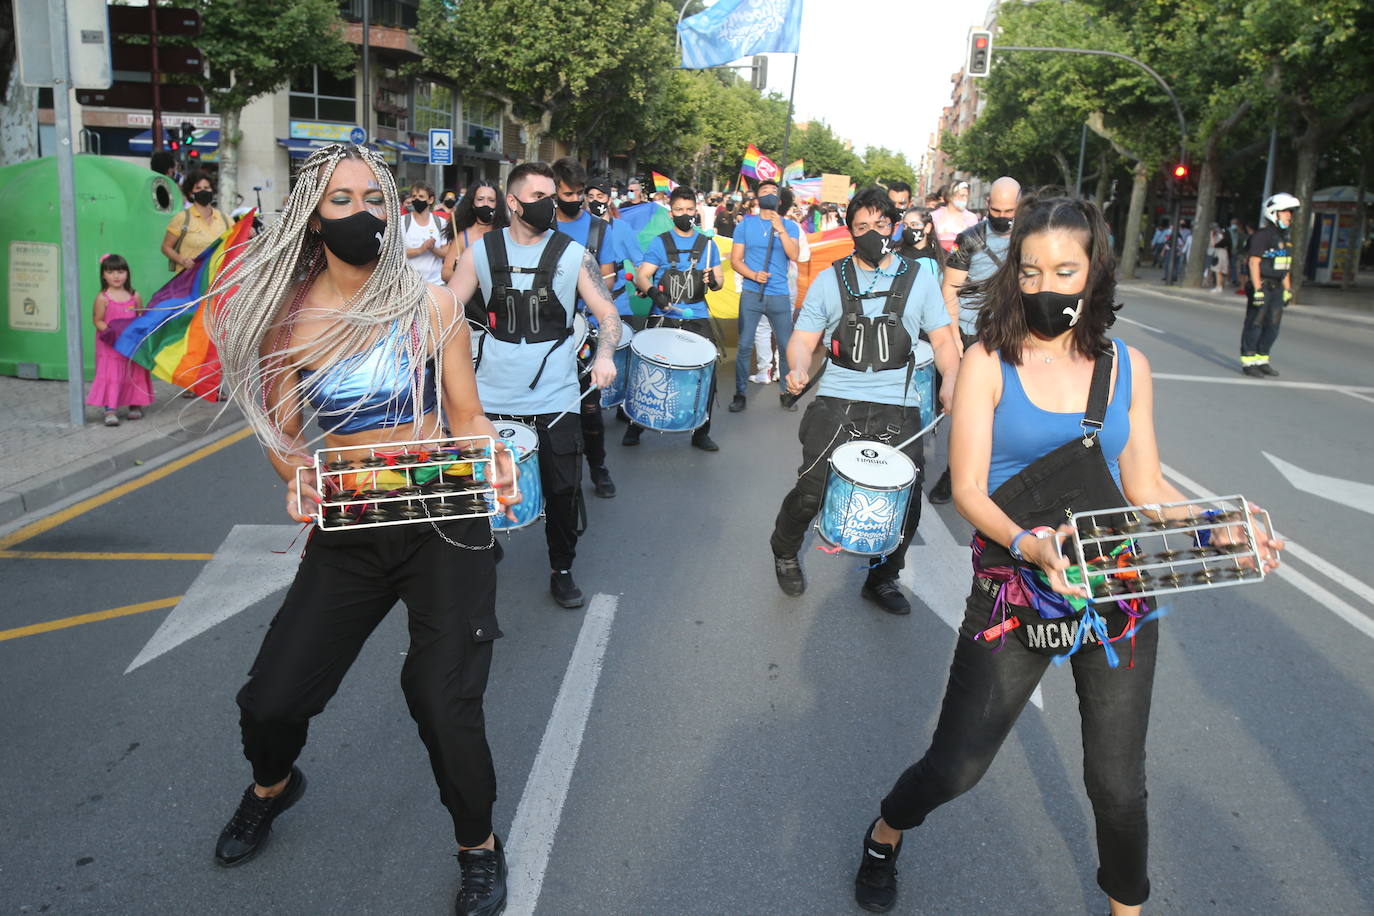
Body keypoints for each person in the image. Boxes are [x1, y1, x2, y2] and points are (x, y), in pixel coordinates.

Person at [850, 192, 1282, 915]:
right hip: (1014, 593)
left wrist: (1219, 524)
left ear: (1096, 273)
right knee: (957, 767)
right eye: (1029, 271)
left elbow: (1144, 483)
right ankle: (886, 831)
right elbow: (970, 490)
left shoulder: (1128, 368)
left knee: (1118, 785)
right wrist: (1028, 543)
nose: (1046, 287)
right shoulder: (988, 363)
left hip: (1115, 590)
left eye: (1064, 269)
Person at [204, 143, 518, 916]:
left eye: (373, 197)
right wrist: (296, 477)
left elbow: (467, 415)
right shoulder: (285, 324)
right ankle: (272, 786)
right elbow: (284, 441)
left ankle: (477, 847)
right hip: (351, 525)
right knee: (271, 701)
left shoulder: (431, 304)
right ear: (313, 218)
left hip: (442, 516)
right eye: (340, 201)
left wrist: (494, 453)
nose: (361, 213)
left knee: (442, 700)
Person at [770, 187, 960, 614]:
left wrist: (951, 381)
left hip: (900, 402)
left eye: (880, 225)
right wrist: (797, 366)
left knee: (905, 500)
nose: (872, 234)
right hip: (839, 397)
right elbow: (803, 339)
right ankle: (784, 549)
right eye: (861, 227)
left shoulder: (919, 279)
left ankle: (882, 577)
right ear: (850, 232)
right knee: (811, 490)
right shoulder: (828, 280)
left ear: (893, 227)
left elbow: (945, 338)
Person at [448, 161, 622, 609]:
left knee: (562, 489)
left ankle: (560, 568)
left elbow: (607, 313)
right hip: (489, 397)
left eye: (552, 195)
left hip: (555, 395)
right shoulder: (480, 253)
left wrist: (604, 355)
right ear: (513, 202)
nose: (548, 204)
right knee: (478, 487)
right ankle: (484, 546)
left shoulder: (572, 253)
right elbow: (445, 311)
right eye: (538, 196)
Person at [928, 177, 1022, 504]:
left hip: (1014, 337)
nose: (1001, 215)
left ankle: (998, 478)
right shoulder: (970, 239)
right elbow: (950, 289)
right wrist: (952, 337)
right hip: (971, 335)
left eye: (1009, 210)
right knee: (967, 413)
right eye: (995, 209)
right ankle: (955, 474)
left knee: (1009, 414)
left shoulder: (1031, 240)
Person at [630, 184, 724, 451]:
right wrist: (654, 295)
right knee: (647, 368)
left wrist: (713, 281)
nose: (685, 214)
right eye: (679, 210)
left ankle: (701, 431)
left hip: (697, 313)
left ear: (696, 211)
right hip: (663, 314)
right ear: (671, 213)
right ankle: (634, 425)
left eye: (690, 209)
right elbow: (642, 275)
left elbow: (720, 279)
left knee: (708, 370)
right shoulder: (660, 242)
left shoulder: (707, 245)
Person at [550, 157, 620, 497]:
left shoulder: (598, 228)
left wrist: (591, 296)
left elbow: (608, 278)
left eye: (579, 192)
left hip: (586, 330)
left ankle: (599, 469)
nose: (575, 198)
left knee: (590, 409)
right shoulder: (541, 224)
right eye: (568, 192)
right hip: (546, 331)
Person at [729, 177, 801, 412]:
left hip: (780, 295)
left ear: (780, 199)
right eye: (764, 190)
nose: (769, 193)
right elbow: (735, 261)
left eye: (773, 190)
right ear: (757, 197)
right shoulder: (745, 225)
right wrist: (752, 274)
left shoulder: (789, 226)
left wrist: (780, 230)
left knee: (785, 345)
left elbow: (795, 255)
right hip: (752, 293)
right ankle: (740, 392)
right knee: (745, 345)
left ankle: (785, 393)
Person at [87, 253, 153, 426]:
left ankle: (135, 405)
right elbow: (97, 320)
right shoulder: (103, 298)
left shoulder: (134, 295)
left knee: (133, 371)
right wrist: (112, 332)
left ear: (127, 274)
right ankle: (110, 409)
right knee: (112, 374)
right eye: (110, 272)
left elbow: (140, 316)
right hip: (110, 345)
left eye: (120, 272)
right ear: (103, 275)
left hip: (131, 343)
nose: (116, 276)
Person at [1241, 193, 1300, 378]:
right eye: (1285, 212)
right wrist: (1257, 289)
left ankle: (1262, 359)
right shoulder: (1262, 236)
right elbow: (1253, 263)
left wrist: (1288, 290)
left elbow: (1284, 266)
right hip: (1263, 286)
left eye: (1290, 212)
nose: (1289, 215)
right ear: (1273, 213)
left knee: (1273, 325)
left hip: (1277, 287)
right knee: (1255, 323)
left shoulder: (1286, 238)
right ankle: (1248, 362)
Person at [161, 170, 230, 273]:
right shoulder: (182, 218)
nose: (203, 191)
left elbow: (237, 240)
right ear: (191, 192)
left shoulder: (225, 219)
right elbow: (166, 247)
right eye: (198, 188)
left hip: (217, 280)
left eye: (206, 188)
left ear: (212, 190)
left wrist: (249, 232)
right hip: (189, 280)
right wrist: (182, 261)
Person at [440, 180, 506, 283]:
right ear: (472, 203)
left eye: (491, 200)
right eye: (480, 199)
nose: (485, 204)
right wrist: (465, 279)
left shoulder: (506, 234)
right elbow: (446, 272)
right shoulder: (462, 236)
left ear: (497, 204)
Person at [400, 182, 450, 284]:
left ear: (430, 200)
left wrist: (432, 248)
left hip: (436, 283)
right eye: (414, 196)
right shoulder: (402, 222)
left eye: (421, 196)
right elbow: (397, 254)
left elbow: (447, 253)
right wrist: (420, 249)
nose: (417, 199)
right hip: (409, 284)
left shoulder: (441, 223)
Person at [931, 179, 979, 252]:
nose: (965, 199)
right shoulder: (935, 216)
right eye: (962, 196)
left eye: (966, 196)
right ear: (950, 196)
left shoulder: (971, 218)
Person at [1207, 223, 1230, 293]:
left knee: (1218, 270)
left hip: (1220, 253)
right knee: (1220, 270)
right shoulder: (1222, 234)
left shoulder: (1219, 235)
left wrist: (1211, 236)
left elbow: (1214, 245)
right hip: (1221, 253)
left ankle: (1218, 286)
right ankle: (1219, 285)